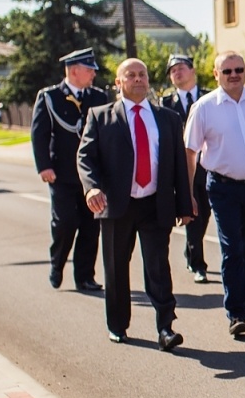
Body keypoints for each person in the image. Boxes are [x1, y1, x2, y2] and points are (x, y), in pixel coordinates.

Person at [76, 58, 191, 350]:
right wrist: (92, 189)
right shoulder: (100, 116)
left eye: (143, 75)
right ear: (118, 82)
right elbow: (85, 158)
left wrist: (185, 205)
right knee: (116, 267)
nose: (138, 79)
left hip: (155, 204)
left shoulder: (167, 118)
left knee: (158, 267)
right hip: (116, 205)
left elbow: (178, 163)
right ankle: (117, 324)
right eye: (131, 75)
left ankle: (166, 327)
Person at [184, 50, 245, 337]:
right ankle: (235, 311)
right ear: (215, 75)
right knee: (231, 248)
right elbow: (190, 151)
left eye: (239, 69)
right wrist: (188, 194)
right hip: (223, 187)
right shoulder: (205, 107)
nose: (234, 75)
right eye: (227, 71)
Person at [31, 48, 110, 292]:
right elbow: (39, 133)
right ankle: (57, 263)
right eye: (89, 70)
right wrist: (44, 166)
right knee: (65, 222)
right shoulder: (49, 97)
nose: (93, 74)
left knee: (90, 225)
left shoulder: (98, 97)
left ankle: (85, 276)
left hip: (91, 176)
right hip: (61, 173)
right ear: (74, 71)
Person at [161, 54, 211, 284]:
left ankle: (192, 251)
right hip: (183, 168)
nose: (177, 73)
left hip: (209, 166)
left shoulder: (209, 98)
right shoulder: (166, 103)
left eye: (181, 68)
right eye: (173, 70)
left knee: (207, 215)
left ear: (193, 71)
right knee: (191, 214)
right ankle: (199, 264)